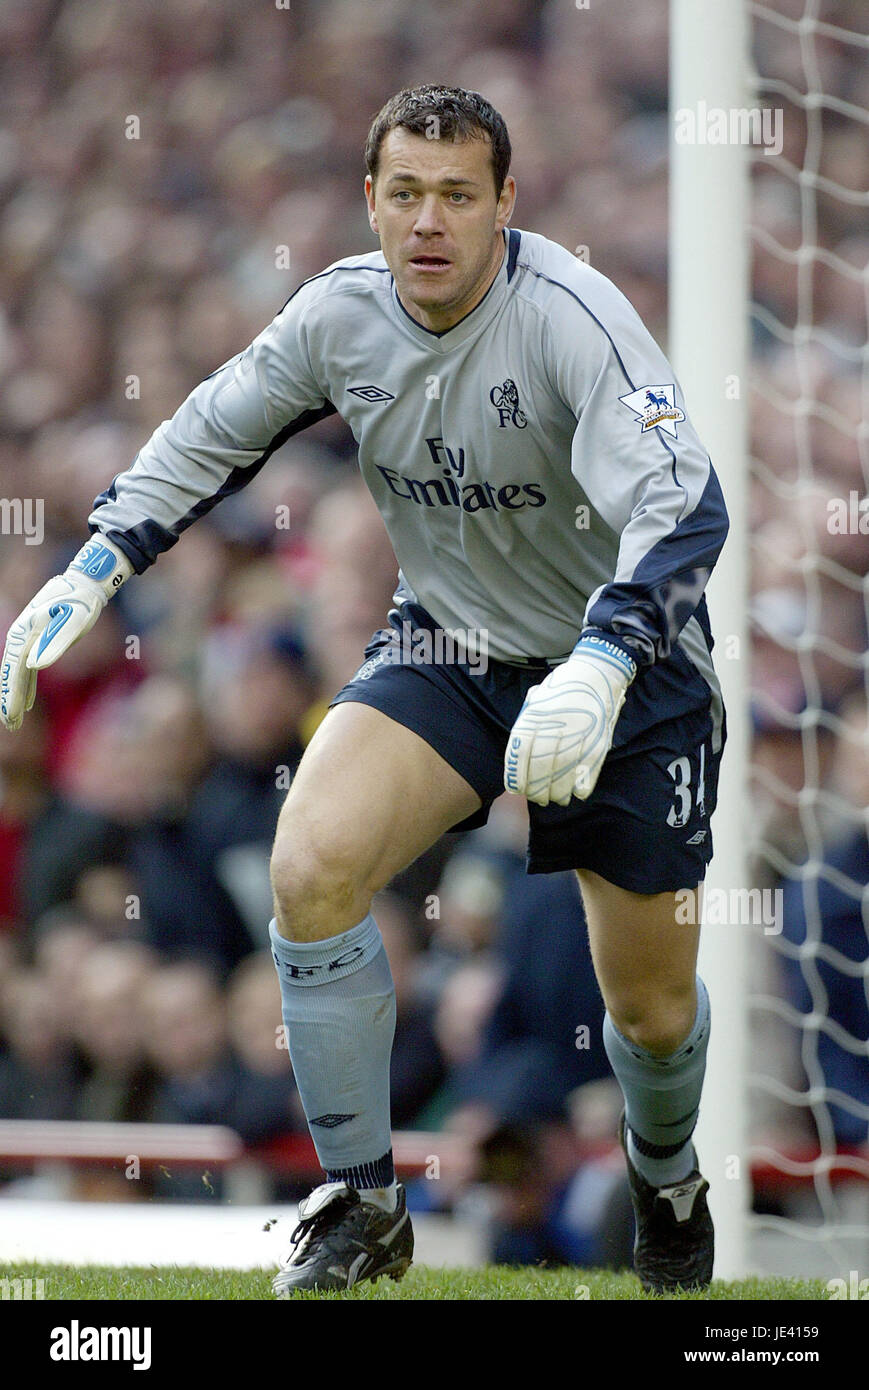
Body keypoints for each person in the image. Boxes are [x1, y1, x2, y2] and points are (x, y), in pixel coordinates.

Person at [1, 85, 728, 1295]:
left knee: (646, 1008)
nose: (428, 220)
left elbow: (681, 504)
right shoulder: (337, 315)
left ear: (506, 202)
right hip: (448, 644)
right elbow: (207, 428)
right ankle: (363, 1201)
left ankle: (667, 1175)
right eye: (404, 194)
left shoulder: (573, 321)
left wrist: (602, 663)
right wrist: (96, 558)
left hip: (625, 665)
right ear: (370, 202)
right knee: (310, 864)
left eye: (455, 194)